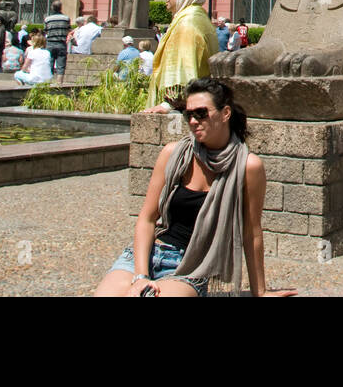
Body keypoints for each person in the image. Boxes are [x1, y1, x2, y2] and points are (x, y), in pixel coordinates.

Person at [96, 77, 292, 297]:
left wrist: (260, 292)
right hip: (145, 256)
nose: (193, 121)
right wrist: (141, 277)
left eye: (201, 113)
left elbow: (251, 232)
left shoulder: (248, 167)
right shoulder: (174, 154)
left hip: (189, 266)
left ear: (225, 113)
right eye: (188, 114)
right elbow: (147, 218)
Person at [145, 0, 217, 112]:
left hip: (182, 107)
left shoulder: (187, 22)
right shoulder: (197, 16)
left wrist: (169, 104)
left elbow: (185, 69)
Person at [44, 2, 71, 77]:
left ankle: (48, 83)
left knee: (49, 64)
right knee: (61, 65)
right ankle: (59, 83)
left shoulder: (47, 19)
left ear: (52, 8)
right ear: (61, 7)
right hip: (61, 43)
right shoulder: (66, 18)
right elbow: (68, 30)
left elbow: (45, 31)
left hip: (50, 43)